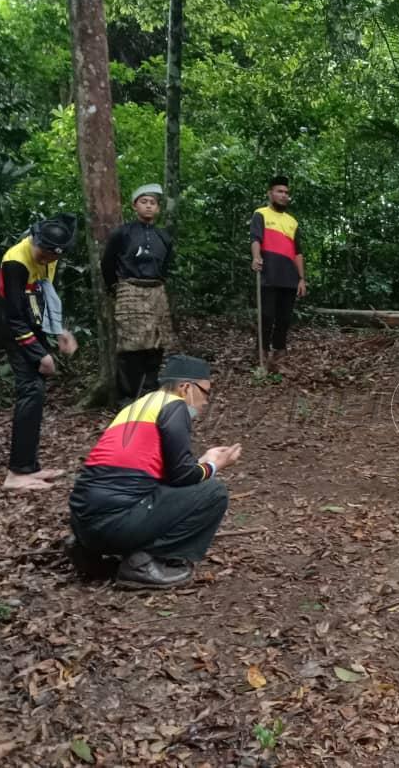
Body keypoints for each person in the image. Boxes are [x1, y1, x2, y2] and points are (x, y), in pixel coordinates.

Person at [68, 355, 242, 589]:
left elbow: (163, 473)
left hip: (84, 522)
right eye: (206, 392)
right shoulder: (175, 406)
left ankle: (88, 551)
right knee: (214, 492)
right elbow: (181, 476)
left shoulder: (138, 407)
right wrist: (215, 466)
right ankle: (143, 563)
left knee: (182, 488)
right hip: (116, 520)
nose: (206, 401)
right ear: (186, 388)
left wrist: (202, 461)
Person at [0, 213, 79, 491]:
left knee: (36, 392)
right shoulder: (15, 261)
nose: (45, 261)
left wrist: (60, 332)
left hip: (35, 326)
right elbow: (13, 314)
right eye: (42, 254)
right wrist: (37, 352)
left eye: (53, 257)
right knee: (30, 392)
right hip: (16, 330)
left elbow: (46, 294)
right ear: (34, 240)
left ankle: (28, 466)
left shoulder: (49, 259)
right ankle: (16, 474)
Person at [102, 183, 175, 403]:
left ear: (158, 209)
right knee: (131, 344)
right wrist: (115, 287)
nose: (149, 207)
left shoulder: (163, 237)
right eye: (144, 202)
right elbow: (107, 262)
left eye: (153, 203)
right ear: (135, 205)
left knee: (157, 341)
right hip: (130, 288)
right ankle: (128, 396)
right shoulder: (123, 233)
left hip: (156, 291)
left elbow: (167, 264)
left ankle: (150, 391)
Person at [250, 175, 306, 374]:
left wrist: (301, 278)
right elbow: (256, 238)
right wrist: (256, 257)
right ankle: (262, 355)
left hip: (289, 277)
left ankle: (279, 357)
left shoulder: (292, 222)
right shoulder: (261, 214)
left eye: (286, 193)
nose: (283, 195)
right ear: (270, 193)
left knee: (284, 318)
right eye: (279, 192)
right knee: (267, 316)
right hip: (269, 274)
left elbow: (298, 252)